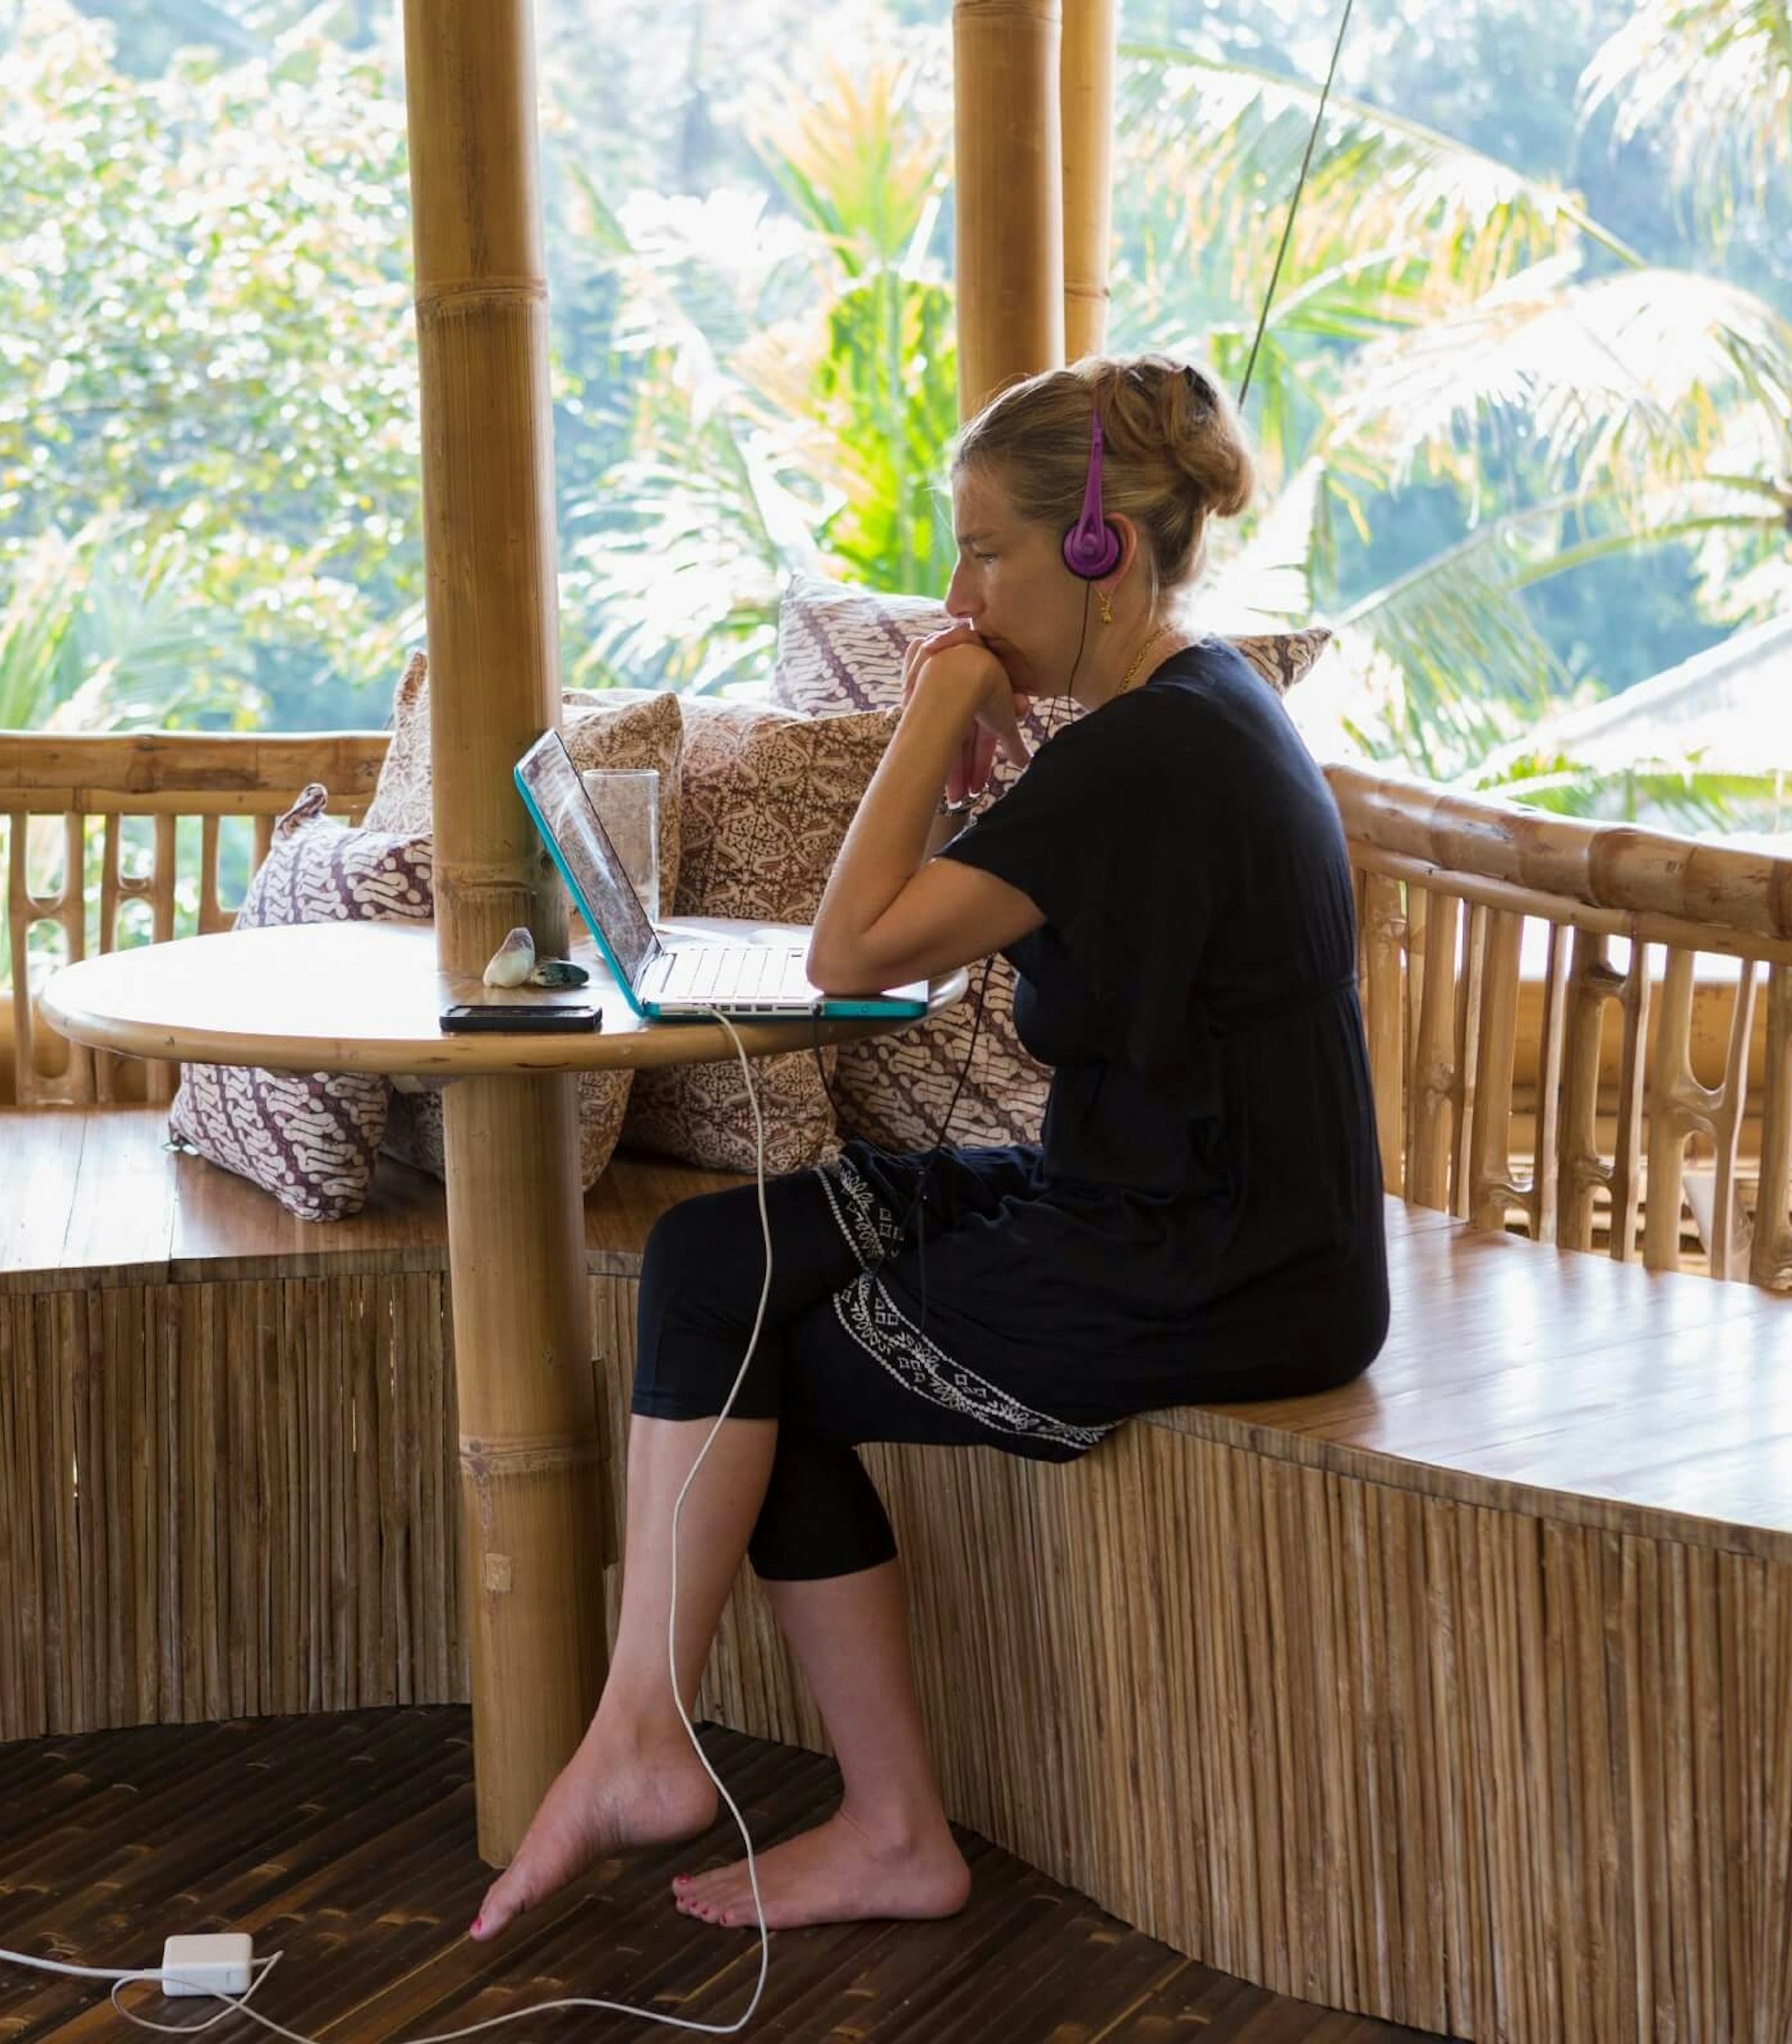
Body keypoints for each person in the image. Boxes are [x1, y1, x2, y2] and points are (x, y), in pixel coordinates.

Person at [469, 351, 1391, 1944]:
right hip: (1139, 1196)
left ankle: (880, 1820)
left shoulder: (1148, 752)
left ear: (1096, 551)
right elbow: (924, 940)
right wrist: (971, 717)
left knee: (775, 1368)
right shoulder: (1179, 708)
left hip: (1226, 1262)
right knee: (711, 1260)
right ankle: (643, 1726)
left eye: (985, 551)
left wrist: (940, 708)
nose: (956, 595)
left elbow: (849, 953)